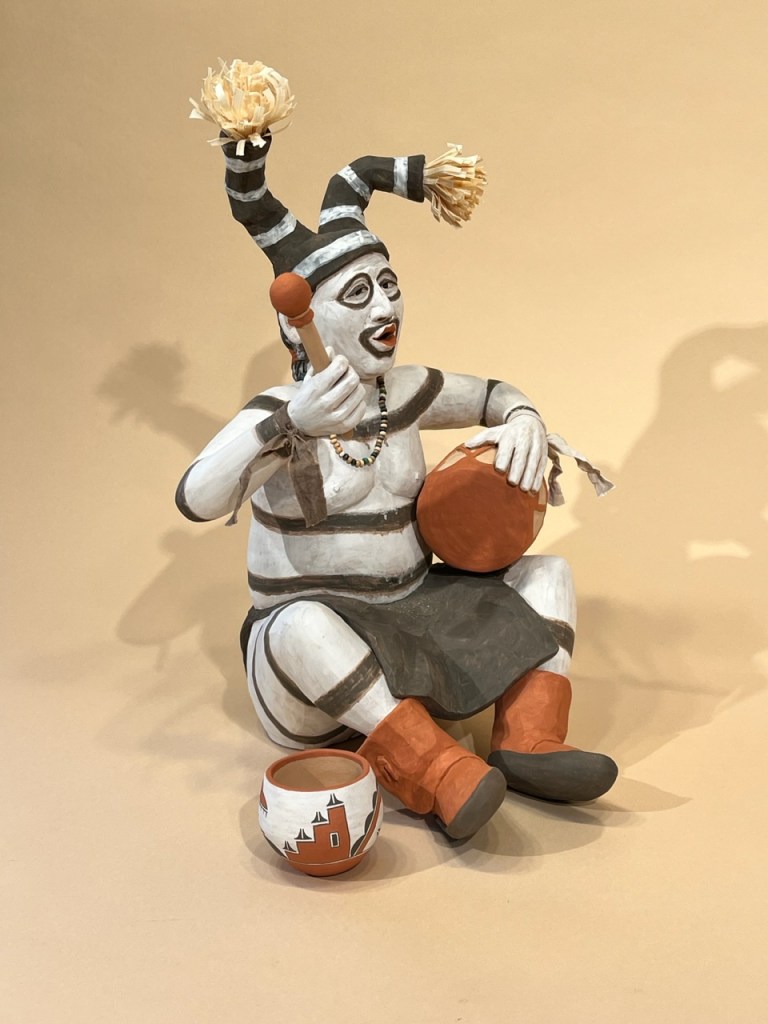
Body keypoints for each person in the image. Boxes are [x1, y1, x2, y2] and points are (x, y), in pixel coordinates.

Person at [176, 134, 617, 840]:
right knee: (297, 626)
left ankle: (530, 740)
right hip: (314, 677)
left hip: (414, 626)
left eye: (389, 285)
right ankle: (433, 771)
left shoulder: (403, 392)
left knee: (548, 574)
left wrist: (526, 420)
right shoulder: (278, 412)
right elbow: (197, 497)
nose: (385, 307)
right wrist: (289, 423)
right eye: (358, 294)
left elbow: (497, 394)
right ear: (301, 318)